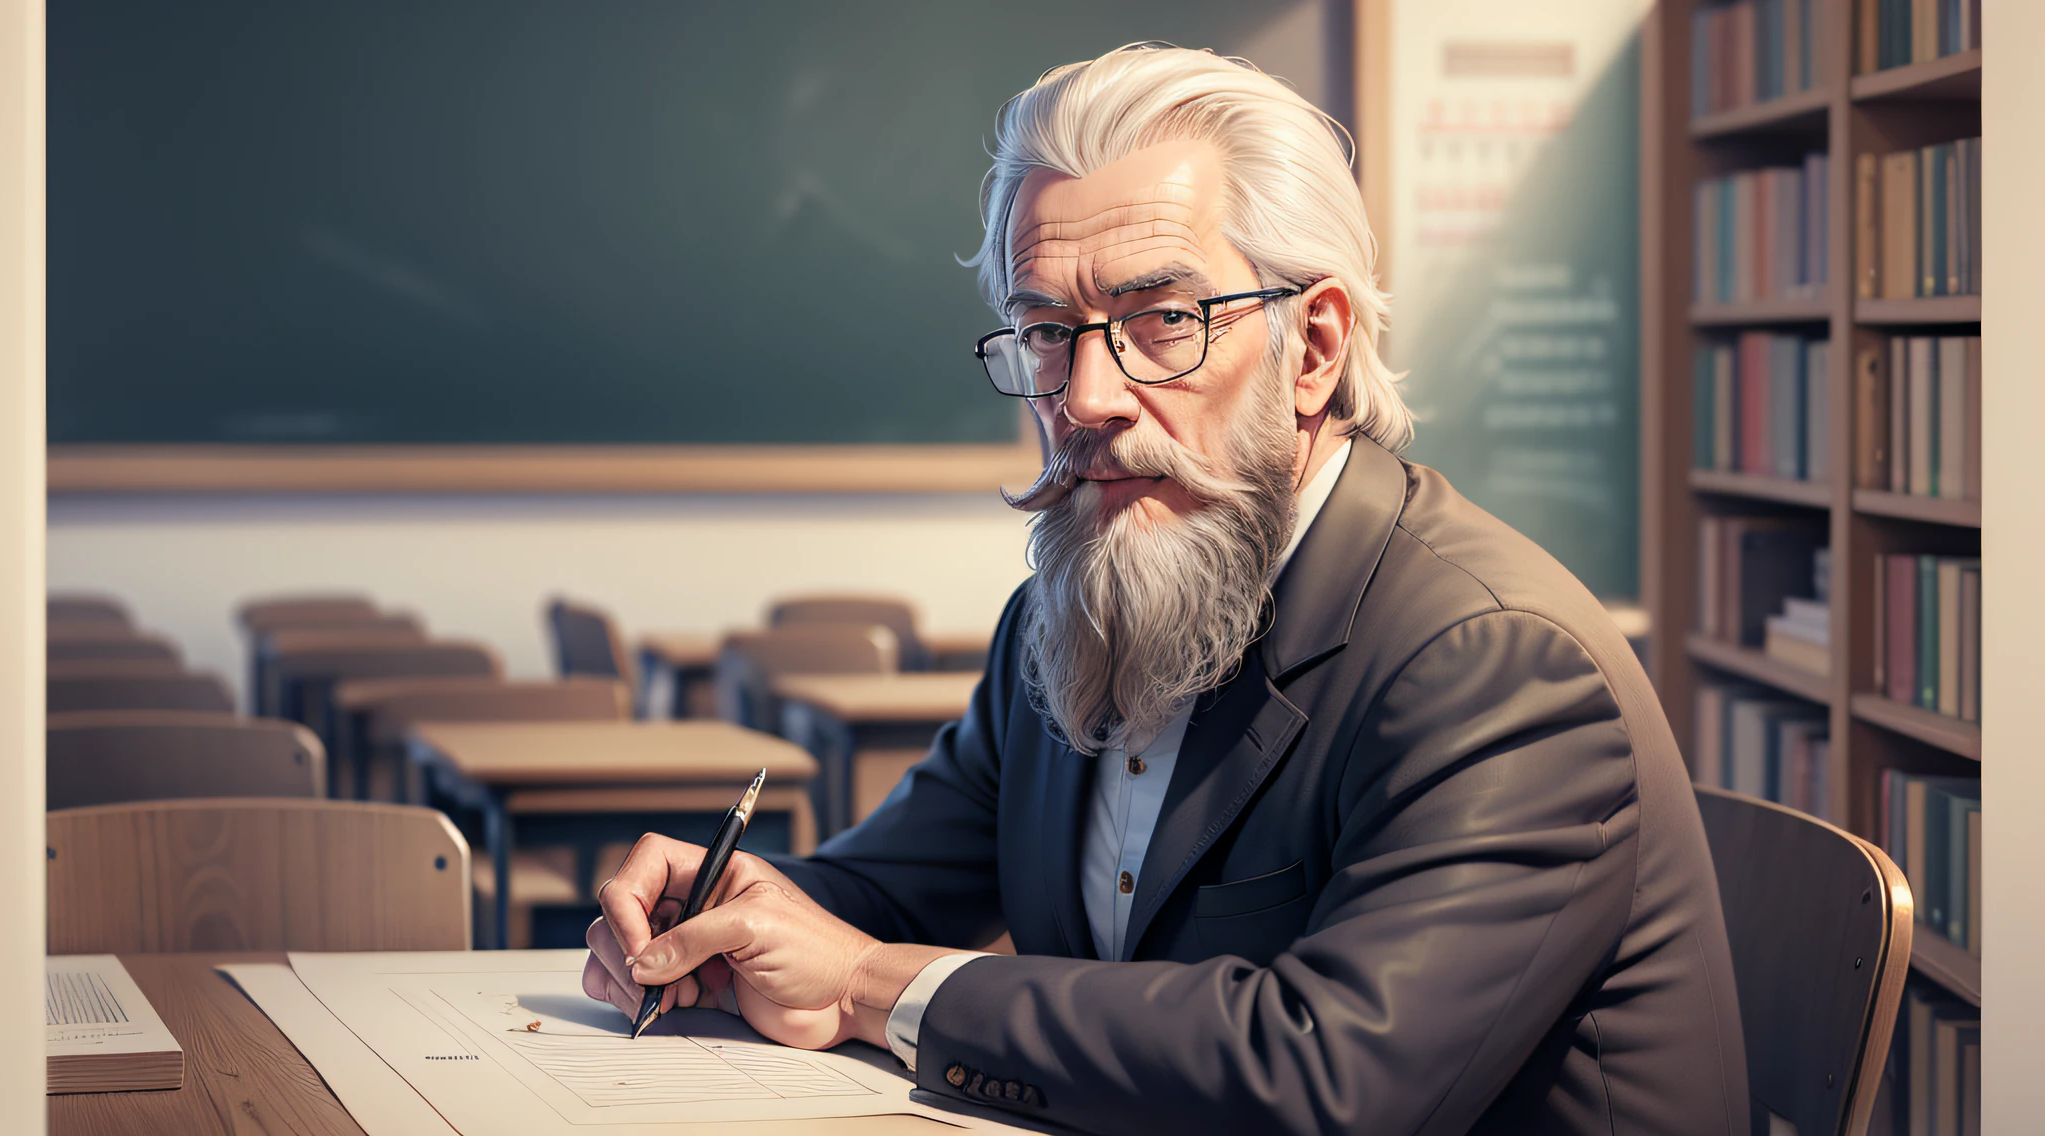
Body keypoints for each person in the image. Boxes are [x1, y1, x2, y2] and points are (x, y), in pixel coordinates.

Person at [584, 43, 1748, 1135]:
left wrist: (867, 983)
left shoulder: (1495, 659)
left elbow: (1330, 1079)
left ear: (1314, 349)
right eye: (1046, 331)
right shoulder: (1071, 614)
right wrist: (722, 911)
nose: (1086, 394)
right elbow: (877, 895)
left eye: (1160, 321)